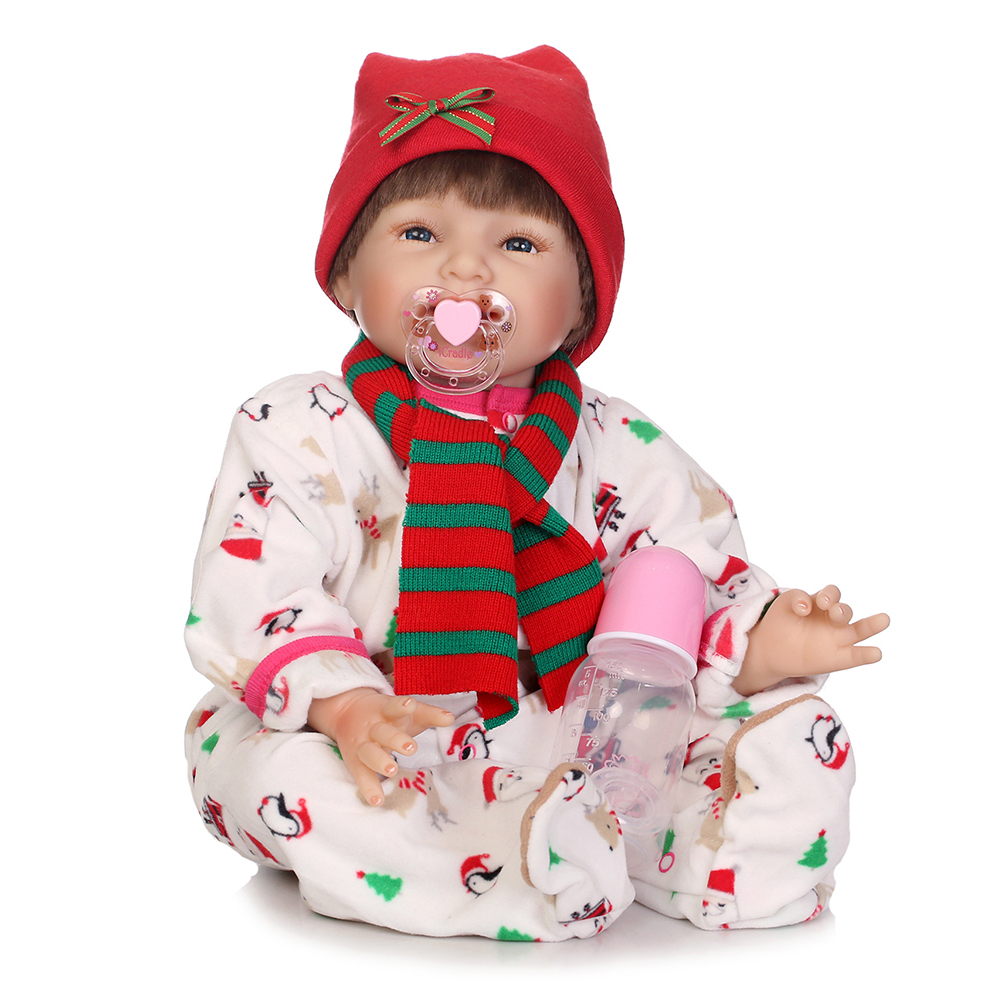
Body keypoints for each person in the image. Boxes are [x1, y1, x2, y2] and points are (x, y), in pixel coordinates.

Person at [184, 46, 888, 941]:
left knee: (787, 729)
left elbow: (677, 591)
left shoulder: (617, 444)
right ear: (345, 274)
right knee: (263, 769)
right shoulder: (302, 427)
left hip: (574, 727)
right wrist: (345, 706)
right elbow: (253, 594)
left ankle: (696, 854)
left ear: (581, 304)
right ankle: (513, 863)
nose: (466, 271)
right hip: (380, 731)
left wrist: (760, 641)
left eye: (517, 244)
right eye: (420, 234)